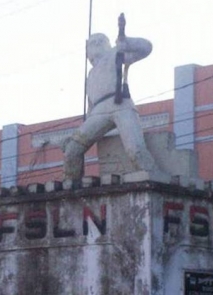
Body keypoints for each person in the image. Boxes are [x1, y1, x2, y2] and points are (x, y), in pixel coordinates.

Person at [62, 14, 159, 181]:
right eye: (91, 44)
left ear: (106, 44)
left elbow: (146, 47)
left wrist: (126, 41)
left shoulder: (116, 54)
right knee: (72, 150)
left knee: (135, 150)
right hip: (98, 112)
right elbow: (91, 110)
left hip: (121, 105)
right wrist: (76, 135)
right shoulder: (90, 76)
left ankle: (155, 180)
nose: (94, 46)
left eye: (98, 41)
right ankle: (71, 185)